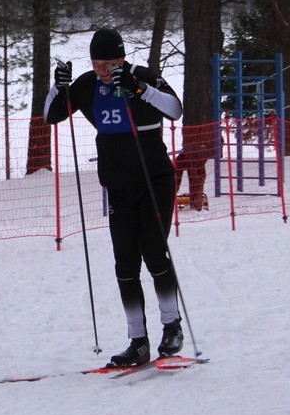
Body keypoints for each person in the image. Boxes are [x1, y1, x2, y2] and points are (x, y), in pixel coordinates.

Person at [44, 28, 185, 368]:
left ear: (122, 59)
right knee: (125, 263)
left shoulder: (141, 76)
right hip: (118, 187)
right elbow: (51, 115)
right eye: (98, 64)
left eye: (111, 64)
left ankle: (172, 326)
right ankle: (138, 340)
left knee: (154, 252)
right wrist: (58, 87)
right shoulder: (88, 84)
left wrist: (139, 89)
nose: (104, 71)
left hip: (154, 182)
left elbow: (175, 109)